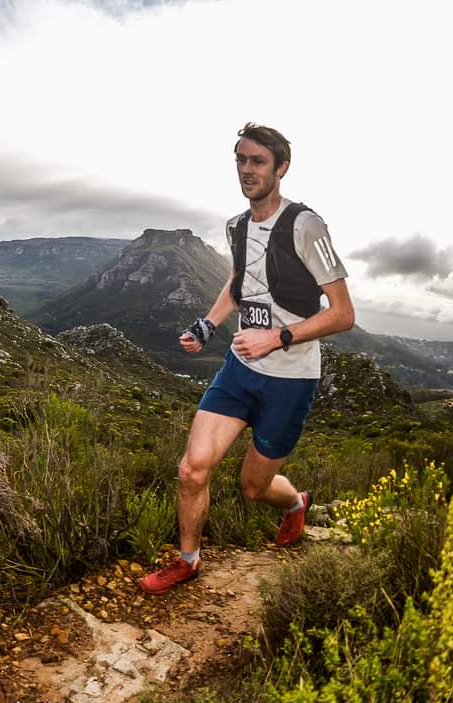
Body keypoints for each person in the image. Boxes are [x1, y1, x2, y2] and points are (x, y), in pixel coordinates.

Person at [139, 123, 354, 595]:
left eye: (257, 161)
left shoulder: (305, 225)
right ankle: (188, 561)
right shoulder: (237, 226)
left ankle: (295, 503)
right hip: (239, 370)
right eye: (240, 159)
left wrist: (277, 337)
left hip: (290, 381)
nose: (247, 170)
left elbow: (342, 314)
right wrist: (207, 324)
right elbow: (239, 283)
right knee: (192, 469)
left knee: (254, 487)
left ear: (282, 168)